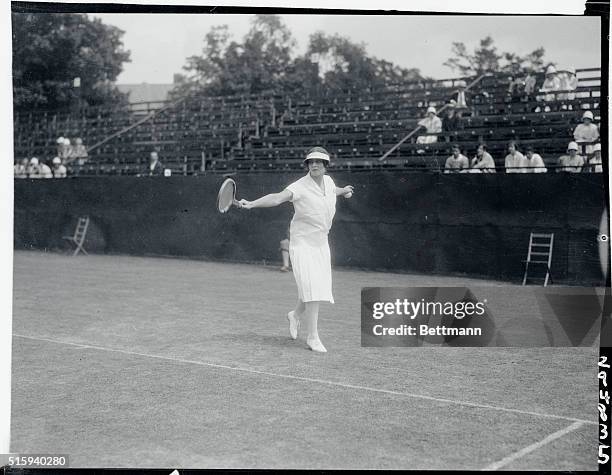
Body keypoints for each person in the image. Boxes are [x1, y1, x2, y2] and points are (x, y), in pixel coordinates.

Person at [238, 146, 354, 353]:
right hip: (302, 243)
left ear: (326, 165)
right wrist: (252, 204)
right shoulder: (299, 186)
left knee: (315, 286)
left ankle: (295, 315)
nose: (315, 164)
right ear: (307, 165)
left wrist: (343, 190)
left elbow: (331, 191)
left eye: (319, 161)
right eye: (311, 162)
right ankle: (313, 336)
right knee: (313, 288)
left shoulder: (328, 181)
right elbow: (276, 198)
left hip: (321, 242)